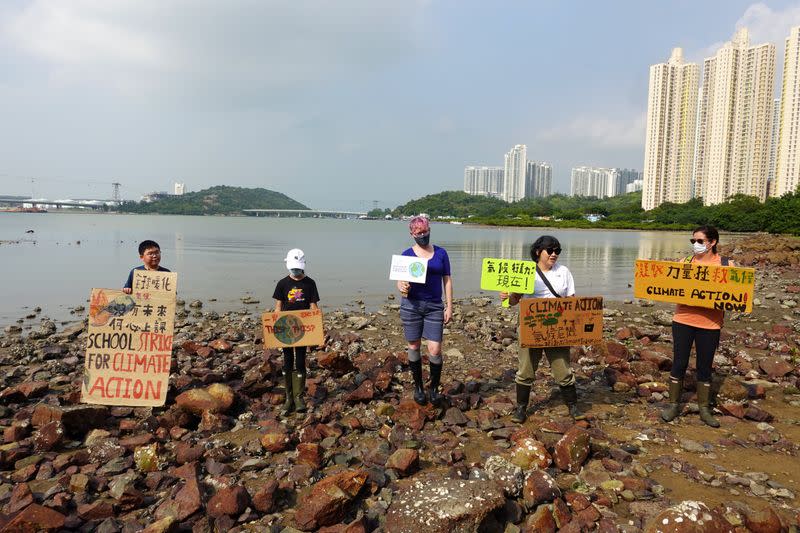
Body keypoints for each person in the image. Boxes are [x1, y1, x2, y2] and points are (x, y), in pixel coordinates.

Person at [501, 235, 579, 423]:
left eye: (557, 251)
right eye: (550, 251)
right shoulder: (526, 271)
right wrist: (506, 296)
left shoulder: (564, 271)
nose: (554, 255)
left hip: (557, 326)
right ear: (538, 252)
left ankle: (573, 407)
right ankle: (521, 409)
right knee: (526, 368)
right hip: (530, 325)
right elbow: (512, 302)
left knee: (563, 368)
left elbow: (572, 300)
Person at [661, 225, 731, 428]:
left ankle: (704, 409)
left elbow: (736, 293)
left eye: (700, 241)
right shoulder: (685, 263)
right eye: (693, 241)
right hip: (683, 320)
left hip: (710, 324)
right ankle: (674, 405)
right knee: (679, 363)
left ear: (713, 242)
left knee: (704, 367)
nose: (696, 245)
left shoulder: (726, 265)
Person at [396, 216, 453, 405]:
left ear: (429, 230)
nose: (423, 235)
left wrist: (449, 306)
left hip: (434, 306)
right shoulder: (406, 254)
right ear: (412, 234)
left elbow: (447, 280)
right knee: (414, 346)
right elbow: (400, 281)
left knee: (435, 349)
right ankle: (419, 387)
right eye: (419, 233)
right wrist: (402, 287)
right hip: (411, 306)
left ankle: (434, 388)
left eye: (425, 231)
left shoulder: (441, 253)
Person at [272, 249, 320, 416]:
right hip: (286, 328)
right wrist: (273, 324)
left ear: (303, 266)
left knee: (300, 360)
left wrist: (318, 326)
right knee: (287, 360)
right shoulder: (282, 283)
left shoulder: (310, 283)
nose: (295, 271)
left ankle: (299, 398)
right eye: (293, 268)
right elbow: (278, 307)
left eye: (298, 268)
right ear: (287, 265)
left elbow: (313, 307)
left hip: (303, 329)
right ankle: (288, 398)